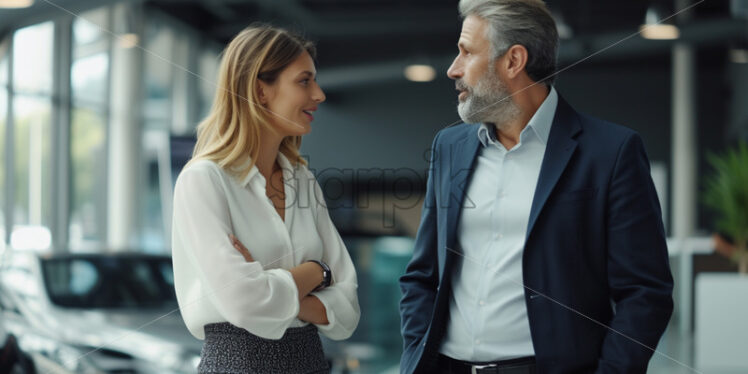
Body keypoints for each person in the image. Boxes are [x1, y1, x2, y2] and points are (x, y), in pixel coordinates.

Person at [399, 1, 674, 373]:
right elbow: (422, 273)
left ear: (514, 61)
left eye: (466, 52)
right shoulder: (449, 147)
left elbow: (645, 293)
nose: (453, 69)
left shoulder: (611, 153)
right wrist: (416, 353)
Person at [171, 24, 360, 374]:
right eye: (304, 81)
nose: (318, 94)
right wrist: (317, 272)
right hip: (237, 364)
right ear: (260, 90)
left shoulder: (303, 181)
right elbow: (244, 303)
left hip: (310, 363)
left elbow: (347, 309)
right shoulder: (203, 180)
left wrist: (268, 282)